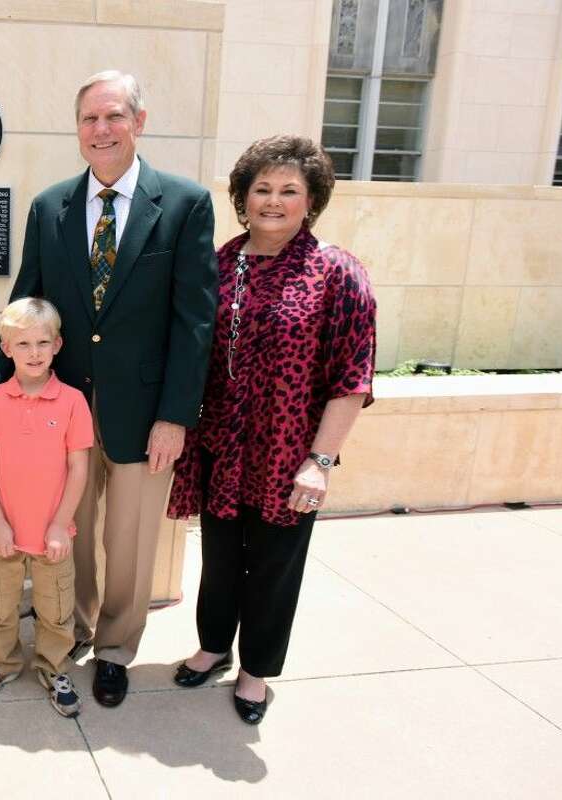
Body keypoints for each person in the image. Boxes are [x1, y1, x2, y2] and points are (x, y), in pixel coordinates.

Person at [0, 70, 218, 708]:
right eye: (89, 119)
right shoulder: (50, 206)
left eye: (114, 117)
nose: (101, 130)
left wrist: (176, 416)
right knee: (70, 532)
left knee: (130, 541)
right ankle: (72, 626)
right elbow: (26, 300)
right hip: (63, 414)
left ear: (139, 121)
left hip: (145, 415)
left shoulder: (185, 204)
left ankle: (114, 647)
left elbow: (196, 321)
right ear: (77, 129)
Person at [167, 135, 376, 725]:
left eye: (289, 191)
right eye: (262, 189)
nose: (273, 201)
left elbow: (352, 379)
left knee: (275, 567)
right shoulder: (219, 264)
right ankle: (213, 646)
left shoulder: (337, 272)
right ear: (242, 197)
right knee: (220, 557)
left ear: (311, 201)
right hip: (223, 448)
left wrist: (321, 461)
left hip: (289, 455)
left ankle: (256, 669)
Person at [0, 298, 93, 718]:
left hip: (52, 535)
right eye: (23, 344)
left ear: (58, 345)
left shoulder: (73, 401)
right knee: (0, 605)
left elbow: (79, 468)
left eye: (43, 342)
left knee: (56, 611)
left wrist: (60, 524)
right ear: (6, 349)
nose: (34, 352)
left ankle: (54, 667)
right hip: (5, 531)